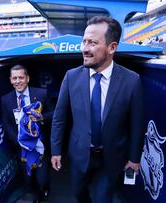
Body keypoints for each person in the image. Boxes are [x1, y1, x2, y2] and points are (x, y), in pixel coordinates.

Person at [51, 16, 144, 203]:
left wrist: (134, 158)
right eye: (84, 42)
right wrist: (55, 150)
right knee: (78, 194)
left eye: (92, 43)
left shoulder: (132, 81)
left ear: (112, 47)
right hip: (79, 155)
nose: (85, 49)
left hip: (112, 157)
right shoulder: (71, 77)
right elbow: (59, 118)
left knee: (103, 199)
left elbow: (137, 125)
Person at [1, 64, 52, 203]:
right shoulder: (5, 100)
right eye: (14, 78)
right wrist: (19, 141)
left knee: (42, 181)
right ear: (11, 80)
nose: (18, 81)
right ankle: (35, 197)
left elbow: (54, 114)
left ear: (27, 78)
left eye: (21, 77)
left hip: (40, 146)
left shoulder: (41, 94)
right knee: (28, 180)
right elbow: (6, 124)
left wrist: (42, 117)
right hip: (22, 149)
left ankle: (43, 193)